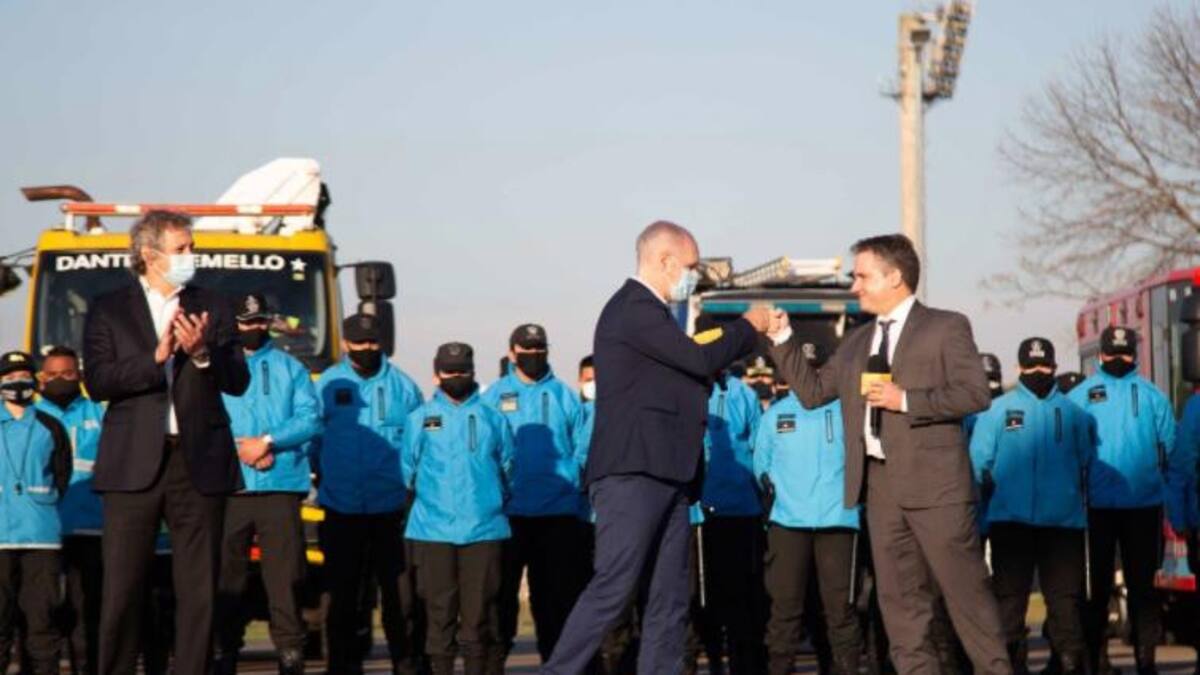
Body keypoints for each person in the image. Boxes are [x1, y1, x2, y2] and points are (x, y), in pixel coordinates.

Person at [767, 233, 1010, 674]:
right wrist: (783, 336)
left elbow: (976, 393)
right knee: (901, 615)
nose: (854, 286)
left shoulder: (945, 326)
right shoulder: (857, 342)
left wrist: (907, 400)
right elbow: (813, 392)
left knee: (968, 604)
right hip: (880, 493)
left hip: (938, 493)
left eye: (861, 276)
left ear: (894, 276)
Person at [543, 220, 770, 675]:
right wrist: (750, 325)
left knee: (669, 599)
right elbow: (699, 359)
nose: (692, 278)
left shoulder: (658, 317)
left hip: (672, 474)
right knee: (614, 586)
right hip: (634, 474)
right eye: (689, 267)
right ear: (664, 261)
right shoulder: (634, 308)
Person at [83, 210, 250, 675]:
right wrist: (154, 359)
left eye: (191, 247)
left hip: (198, 462)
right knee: (123, 586)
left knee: (198, 589)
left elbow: (238, 380)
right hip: (132, 464)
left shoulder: (213, 304)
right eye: (181, 249)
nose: (190, 256)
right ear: (148, 254)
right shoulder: (109, 309)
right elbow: (98, 381)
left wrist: (201, 355)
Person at [969, 338, 1094, 674]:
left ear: (1053, 367)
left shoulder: (1076, 416)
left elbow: (1088, 461)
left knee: (1065, 606)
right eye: (1032, 366)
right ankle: (1009, 666)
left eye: (1044, 366)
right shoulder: (996, 412)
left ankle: (1068, 665)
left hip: (1062, 526)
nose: (1039, 372)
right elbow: (977, 463)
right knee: (1009, 605)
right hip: (1012, 523)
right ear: (1019, 368)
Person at [213, 294, 322, 675]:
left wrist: (269, 441)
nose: (253, 328)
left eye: (259, 321)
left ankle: (290, 653)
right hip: (231, 487)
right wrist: (240, 449)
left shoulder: (290, 368)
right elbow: (201, 419)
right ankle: (224, 649)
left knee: (286, 576)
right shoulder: (216, 366)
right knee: (227, 576)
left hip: (279, 484)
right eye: (245, 322)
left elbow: (310, 418)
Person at [313, 312, 425, 675]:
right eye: (359, 343)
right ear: (346, 343)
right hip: (341, 506)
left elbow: (421, 440)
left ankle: (405, 663)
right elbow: (312, 438)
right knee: (342, 596)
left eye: (373, 343)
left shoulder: (405, 388)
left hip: (391, 509)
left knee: (401, 599)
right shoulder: (326, 385)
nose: (366, 349)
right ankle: (342, 666)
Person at [1068, 326, 1183, 675]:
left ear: (1134, 354)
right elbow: (1070, 452)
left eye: (1125, 353)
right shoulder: (1081, 396)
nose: (1119, 359)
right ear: (1101, 355)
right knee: (1096, 591)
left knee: (1143, 590)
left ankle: (1146, 663)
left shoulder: (1151, 396)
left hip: (1143, 507)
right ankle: (1097, 661)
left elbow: (1172, 449)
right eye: (1113, 353)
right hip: (1096, 509)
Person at [403, 342, 515, 675]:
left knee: (479, 614)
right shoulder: (420, 419)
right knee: (439, 613)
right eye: (449, 371)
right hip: (432, 531)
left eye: (462, 372)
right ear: (436, 374)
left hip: (484, 528)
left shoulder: (492, 417)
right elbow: (407, 470)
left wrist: (490, 501)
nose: (456, 377)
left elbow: (509, 466)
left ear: (472, 373)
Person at [483, 324, 590, 668]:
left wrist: (571, 481)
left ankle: (556, 663)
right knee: (500, 599)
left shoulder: (565, 396)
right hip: (509, 514)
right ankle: (495, 660)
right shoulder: (493, 397)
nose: (533, 355)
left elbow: (585, 447)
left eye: (539, 348)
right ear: (512, 352)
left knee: (555, 601)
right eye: (526, 349)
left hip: (558, 514)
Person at [754, 340, 863, 675]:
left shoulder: (848, 412)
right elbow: (761, 467)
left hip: (838, 523)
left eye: (816, 370)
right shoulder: (775, 415)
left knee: (840, 613)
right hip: (789, 525)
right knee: (785, 611)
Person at [692, 314, 766, 674]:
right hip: (696, 515)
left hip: (739, 512)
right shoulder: (683, 388)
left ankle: (742, 663)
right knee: (699, 601)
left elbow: (758, 446)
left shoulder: (743, 394)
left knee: (740, 598)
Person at [33, 346, 105, 675]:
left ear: (80, 376)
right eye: (53, 375)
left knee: (86, 611)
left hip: (90, 527)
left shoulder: (100, 414)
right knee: (39, 613)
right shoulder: (28, 416)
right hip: (41, 531)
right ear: (41, 379)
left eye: (68, 374)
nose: (60, 380)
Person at [0, 351, 71, 675]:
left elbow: (62, 473)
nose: (18, 383)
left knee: (42, 623)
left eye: (25, 376)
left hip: (41, 536)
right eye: (10, 377)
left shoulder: (49, 425)